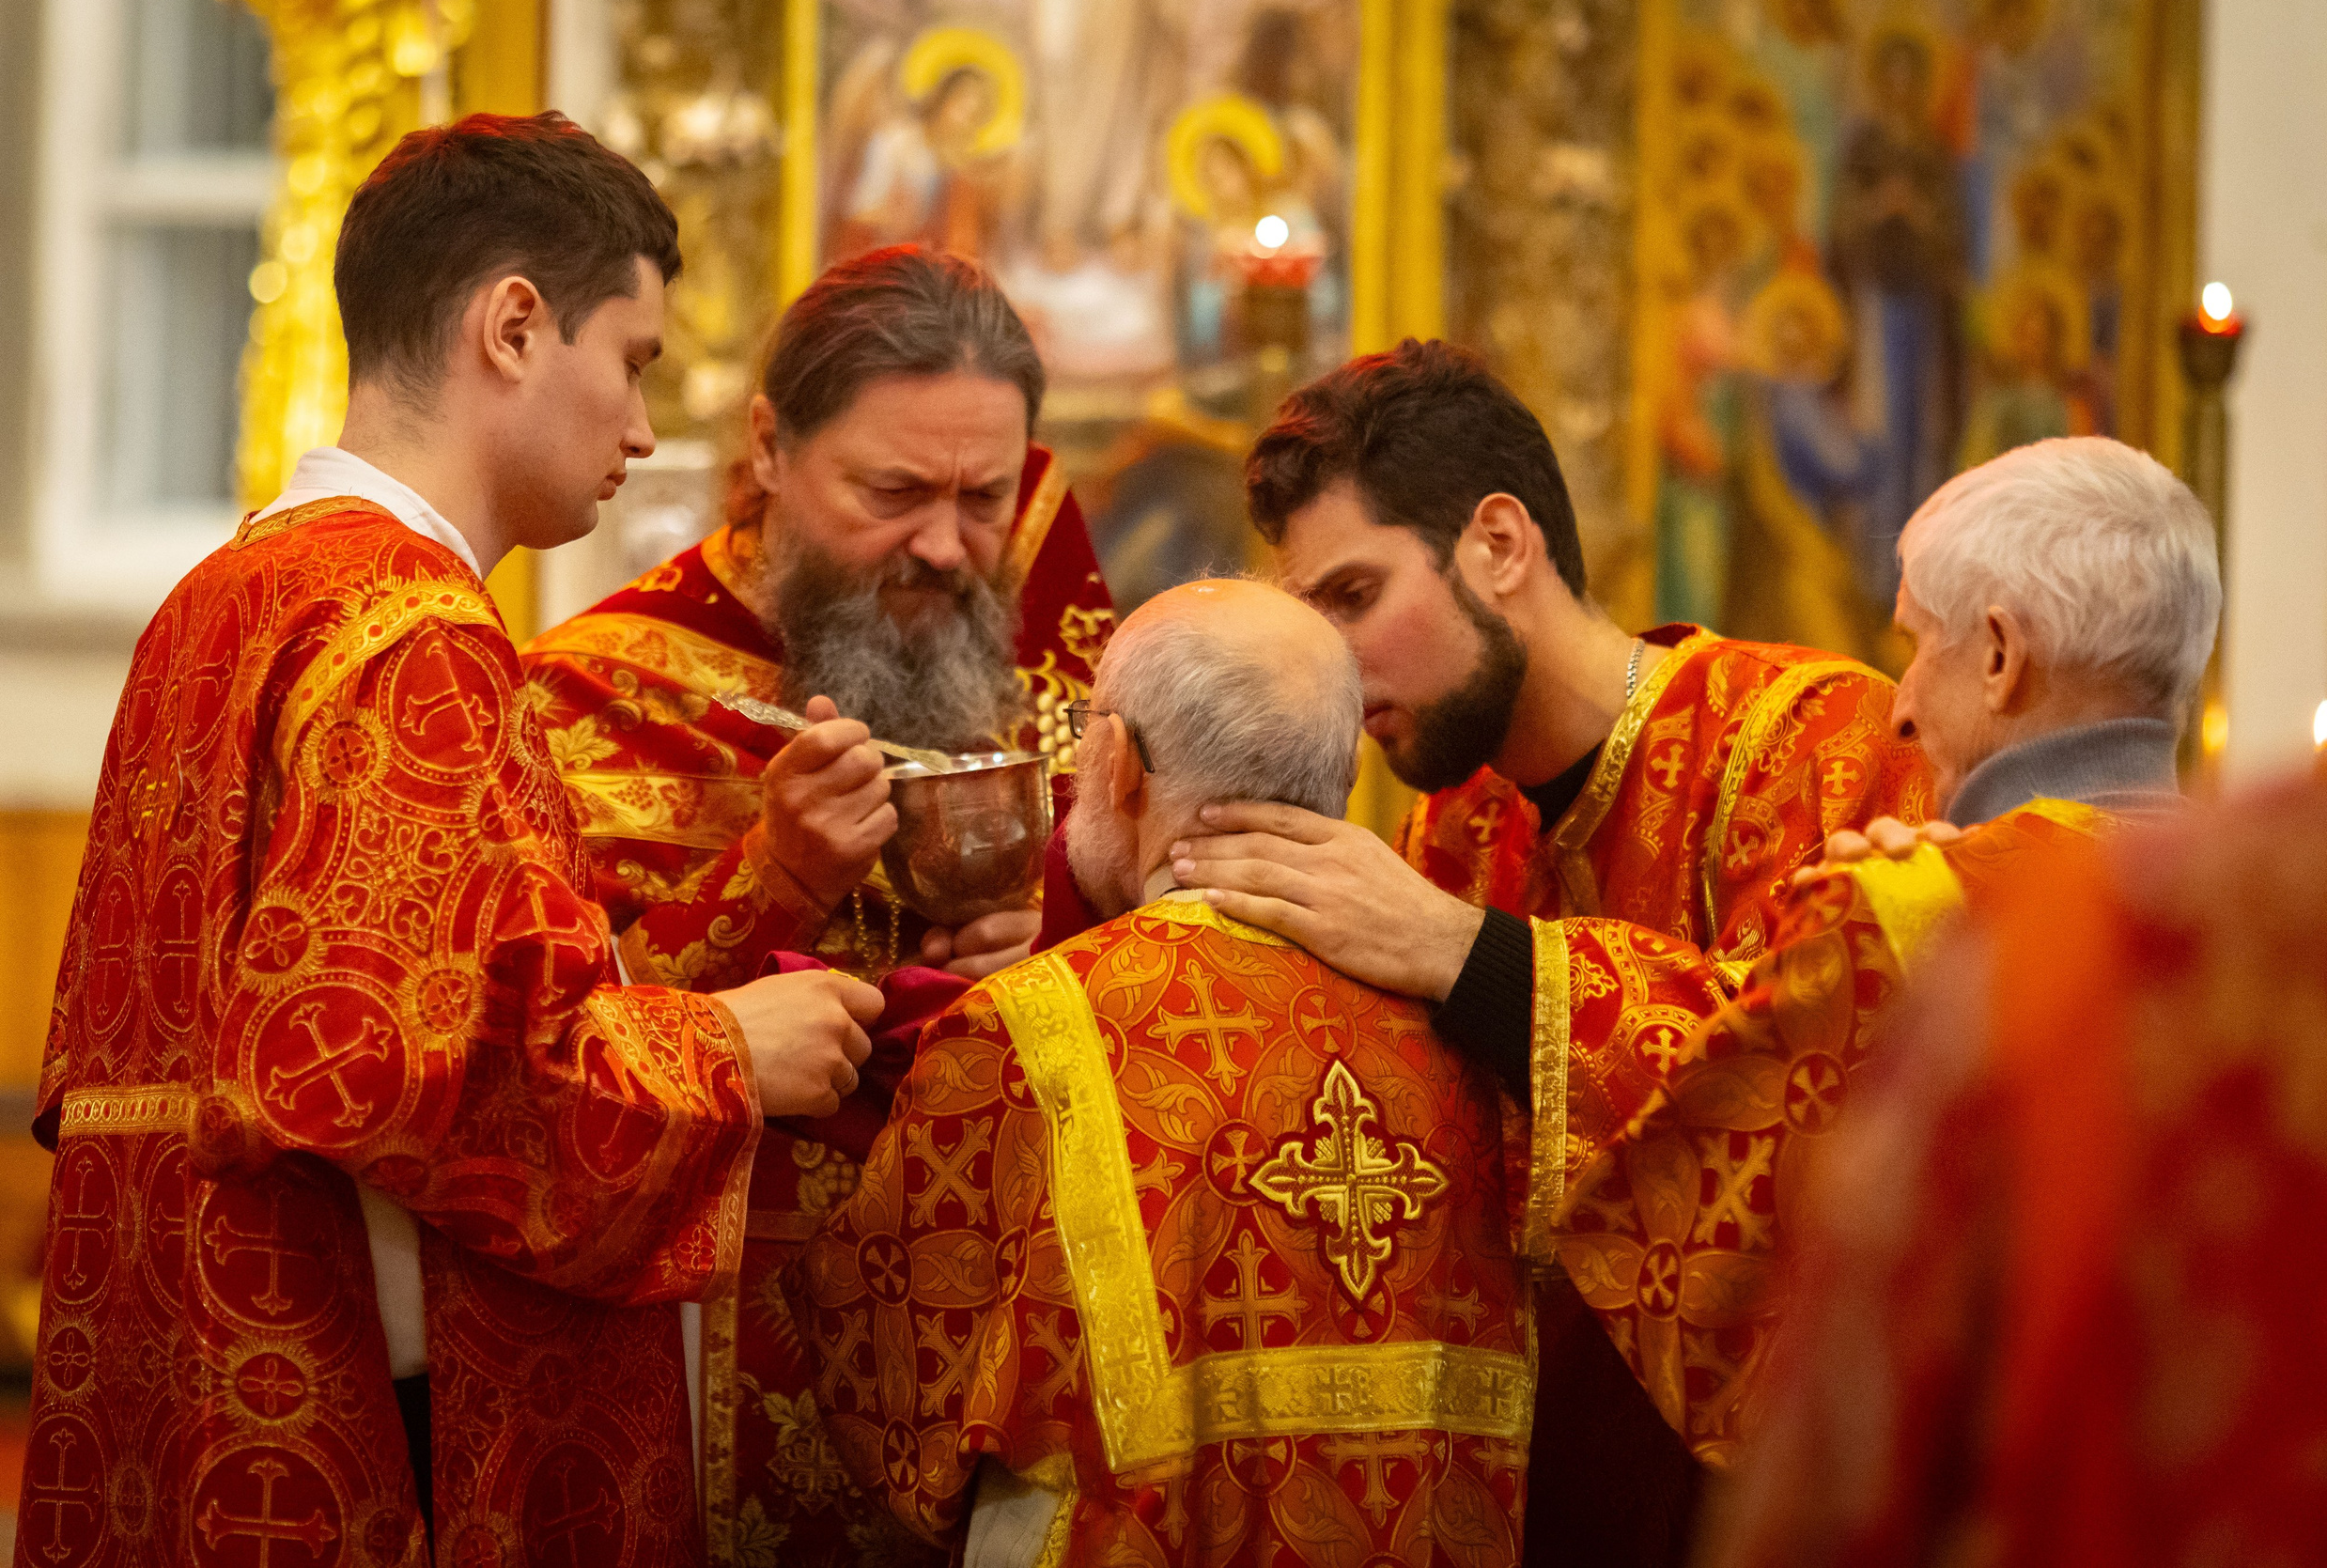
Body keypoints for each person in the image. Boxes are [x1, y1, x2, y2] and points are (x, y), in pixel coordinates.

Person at [15, 114, 882, 1564]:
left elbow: (457, 996)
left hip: (187, 1385)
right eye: (635, 360)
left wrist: (764, 891)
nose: (646, 427)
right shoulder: (411, 633)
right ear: (516, 325)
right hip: (356, 1421)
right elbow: (369, 1066)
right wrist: (732, 1050)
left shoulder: (226, 595)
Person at [1171, 337, 1929, 1563]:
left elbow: (1827, 1115)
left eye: (1355, 598)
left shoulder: (1816, 743)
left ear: (1501, 545)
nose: (1328, 665)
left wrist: (1463, 952)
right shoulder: (1453, 826)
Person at [519, 243, 1110, 1563]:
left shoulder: (1053, 674)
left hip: (988, 1371)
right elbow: (531, 1065)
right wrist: (773, 877)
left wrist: (1055, 943)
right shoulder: (585, 696)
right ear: (773, 447)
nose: (948, 545)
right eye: (893, 491)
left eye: (985, 495)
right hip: (700, 1369)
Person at [787, 580, 1537, 1564]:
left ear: (1120, 767)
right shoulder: (1473, 1033)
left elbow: (886, 1381)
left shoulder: (1019, 1033)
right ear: (1341, 775)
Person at [1701, 771, 2327, 1568]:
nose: (1906, 705)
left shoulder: (2087, 936)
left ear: (2000, 659)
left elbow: (1835, 1493)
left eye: (1920, 652)